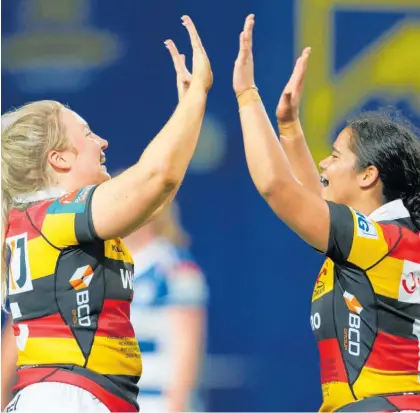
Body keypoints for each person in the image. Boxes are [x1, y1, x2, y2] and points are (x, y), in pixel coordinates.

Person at [1, 15, 213, 413]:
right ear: (59, 158)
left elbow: (157, 193)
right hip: (69, 398)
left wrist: (189, 111)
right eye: (87, 134)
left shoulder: (35, 216)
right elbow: (155, 178)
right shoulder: (57, 215)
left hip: (68, 396)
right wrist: (198, 95)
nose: (102, 141)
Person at [233, 14, 420, 413]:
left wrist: (247, 95)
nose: (323, 164)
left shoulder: (373, 241)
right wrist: (289, 128)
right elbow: (312, 199)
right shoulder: (392, 237)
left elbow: (278, 188)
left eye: (335, 156)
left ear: (369, 175)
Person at [124, 202, 208, 412]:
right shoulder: (103, 264)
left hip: (157, 399)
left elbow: (187, 346)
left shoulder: (176, 268)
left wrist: (178, 402)